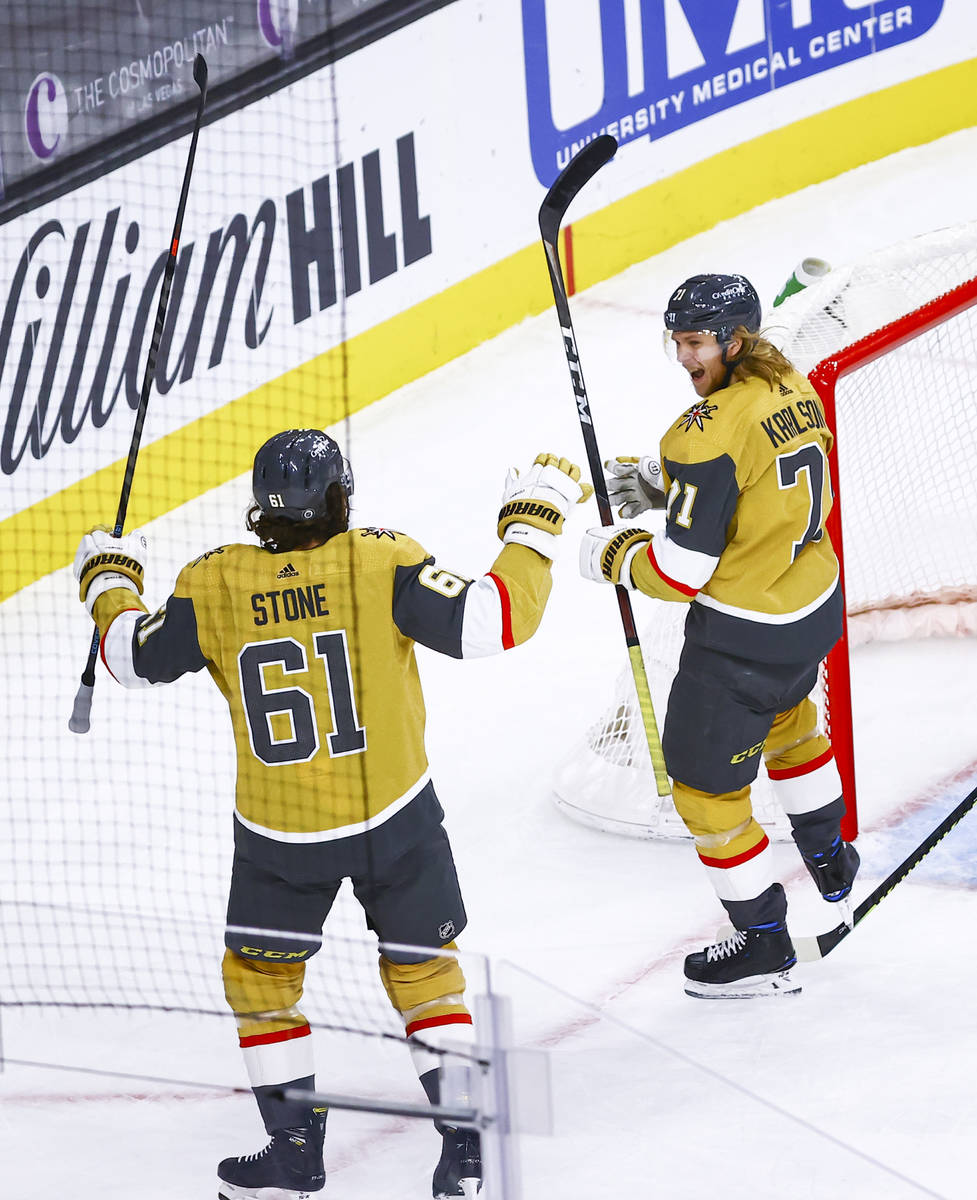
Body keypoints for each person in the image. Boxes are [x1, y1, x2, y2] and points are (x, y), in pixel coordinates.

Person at [73, 430, 591, 1198]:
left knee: (260, 984)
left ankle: (292, 1155)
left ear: (260, 509)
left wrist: (108, 576)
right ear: (340, 496)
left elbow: (127, 658)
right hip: (397, 814)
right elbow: (494, 620)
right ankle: (466, 1151)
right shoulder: (379, 560)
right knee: (425, 977)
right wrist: (533, 515)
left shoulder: (213, 581)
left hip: (281, 836)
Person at [578, 273, 859, 1000]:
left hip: (742, 639)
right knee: (791, 728)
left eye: (695, 342)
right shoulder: (788, 380)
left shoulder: (697, 433)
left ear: (734, 341)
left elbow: (678, 574)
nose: (682, 356)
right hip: (811, 612)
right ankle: (830, 859)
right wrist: (660, 479)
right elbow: (754, 476)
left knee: (704, 795)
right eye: (675, 340)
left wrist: (610, 557)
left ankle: (763, 942)